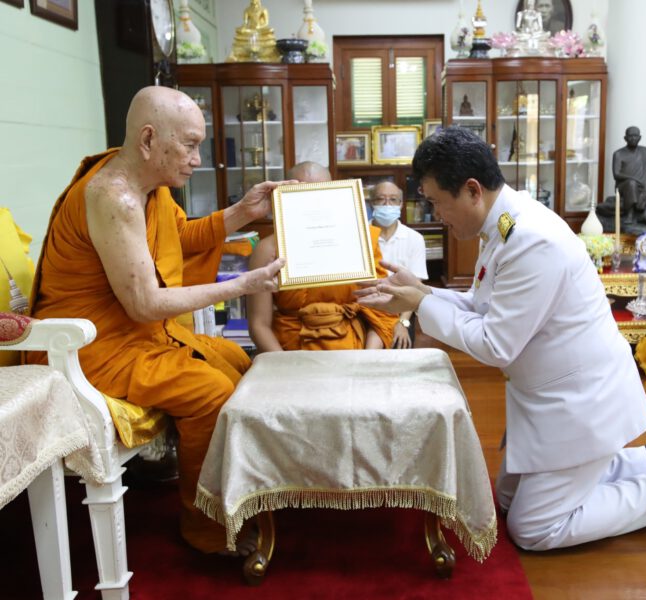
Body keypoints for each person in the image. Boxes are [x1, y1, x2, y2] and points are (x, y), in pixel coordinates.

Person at [356, 127, 646, 551]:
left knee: (534, 529)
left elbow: (496, 344)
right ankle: (642, 460)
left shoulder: (530, 240)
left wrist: (421, 307)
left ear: (472, 190)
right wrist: (423, 292)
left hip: (581, 402)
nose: (436, 213)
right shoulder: (505, 221)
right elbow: (483, 304)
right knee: (508, 499)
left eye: (436, 202)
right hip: (550, 396)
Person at [25, 86, 286, 555]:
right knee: (213, 394)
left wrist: (242, 212)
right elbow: (144, 305)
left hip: (134, 334)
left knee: (237, 361)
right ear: (148, 140)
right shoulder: (114, 196)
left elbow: (179, 236)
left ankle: (242, 493)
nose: (197, 158)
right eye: (189, 144)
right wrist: (241, 287)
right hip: (91, 347)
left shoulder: (148, 187)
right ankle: (204, 525)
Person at [248, 162, 397, 353]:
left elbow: (380, 312)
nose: (313, 202)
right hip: (291, 350)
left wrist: (367, 357)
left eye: (321, 193)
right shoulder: (268, 249)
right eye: (302, 194)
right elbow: (259, 324)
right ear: (283, 196)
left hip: (353, 347)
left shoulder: (360, 239)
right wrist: (284, 366)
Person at [368, 181, 428, 349]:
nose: (387, 205)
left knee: (401, 346)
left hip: (402, 308)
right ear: (372, 203)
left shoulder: (414, 239)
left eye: (393, 200)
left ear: (401, 204)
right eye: (381, 199)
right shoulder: (361, 235)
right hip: (366, 308)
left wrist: (403, 322)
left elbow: (416, 287)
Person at [596, 126, 646, 235]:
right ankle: (629, 214)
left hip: (642, 186)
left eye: (636, 136)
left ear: (640, 138)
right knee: (631, 184)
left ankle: (645, 215)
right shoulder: (619, 154)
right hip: (624, 186)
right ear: (625, 138)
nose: (633, 138)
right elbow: (616, 174)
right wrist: (633, 178)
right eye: (630, 136)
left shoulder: (644, 151)